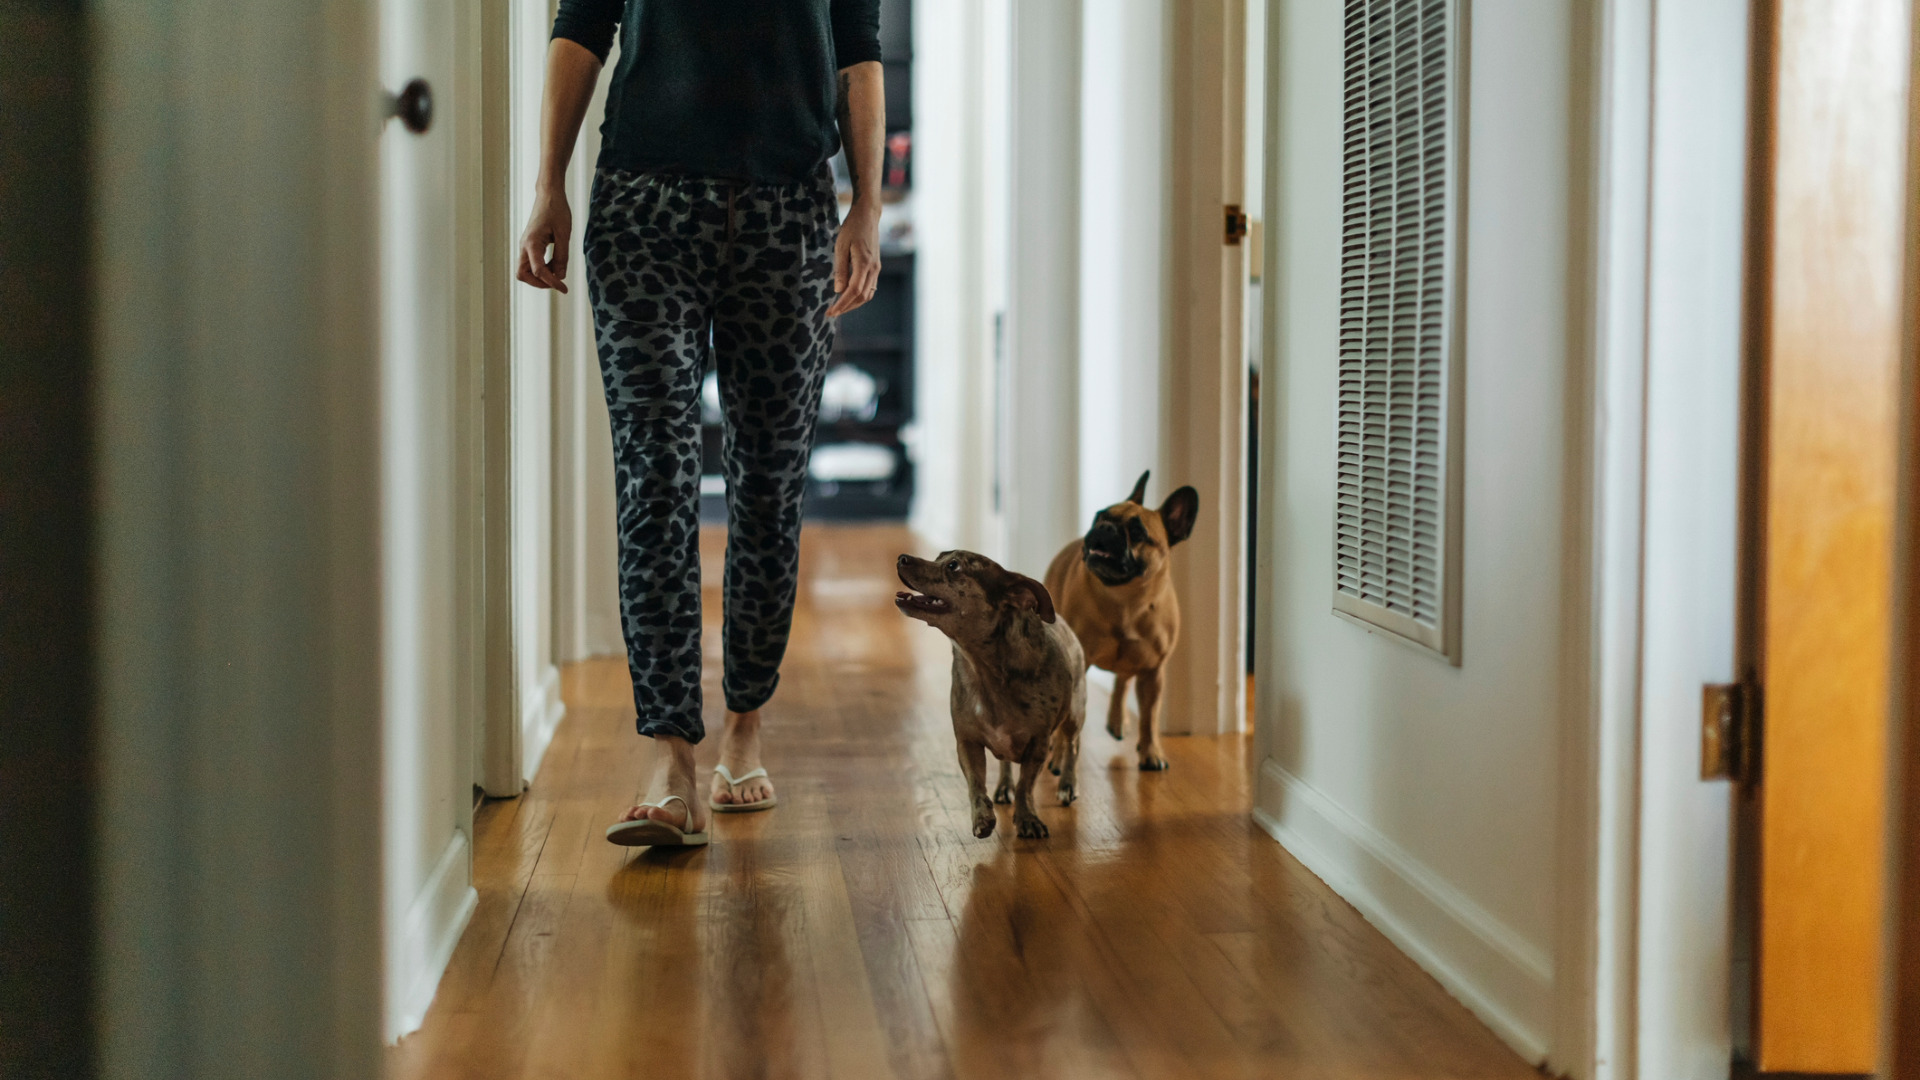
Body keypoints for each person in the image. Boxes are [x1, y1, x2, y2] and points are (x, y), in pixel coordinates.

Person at [517, 0, 885, 846]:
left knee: (768, 483)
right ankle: (670, 755)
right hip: (645, 208)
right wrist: (548, 186)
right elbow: (581, 24)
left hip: (788, 214)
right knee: (658, 479)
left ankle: (745, 728)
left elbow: (858, 51)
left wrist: (865, 206)